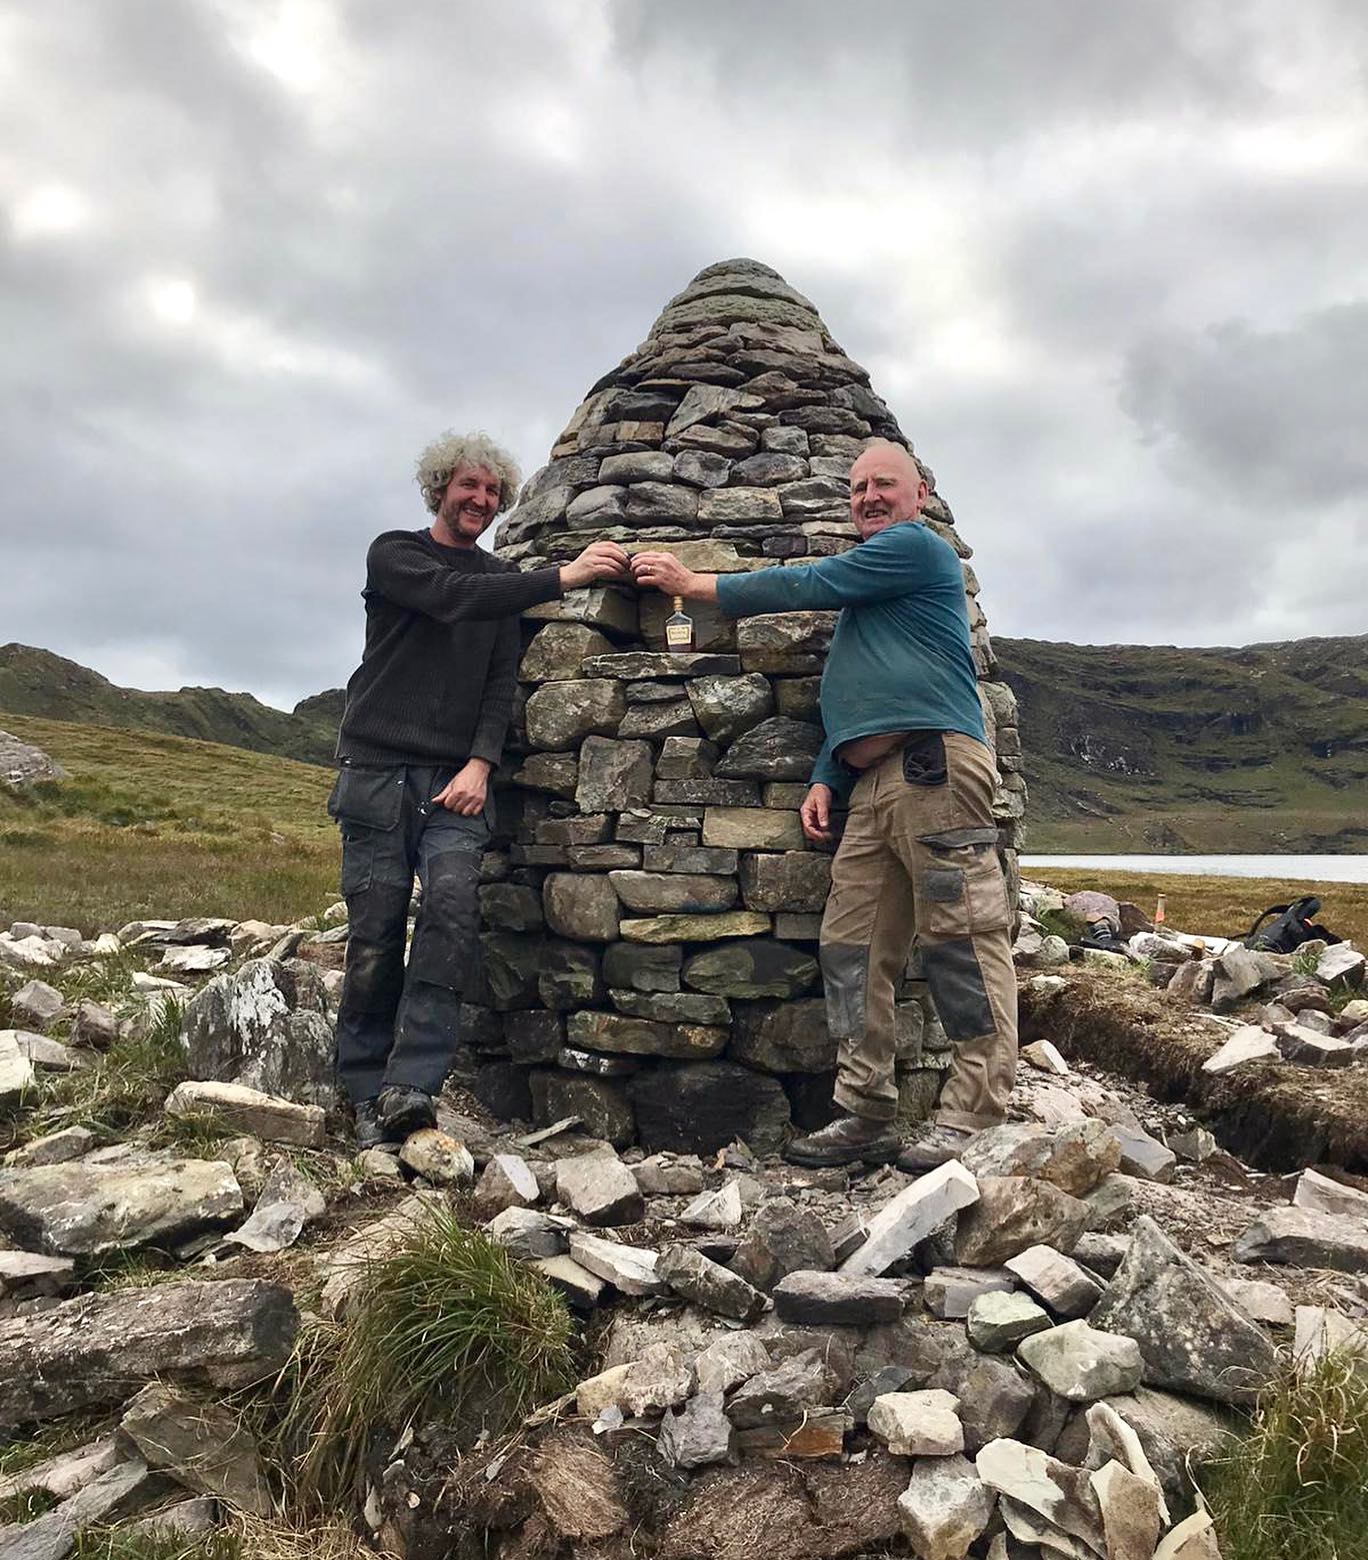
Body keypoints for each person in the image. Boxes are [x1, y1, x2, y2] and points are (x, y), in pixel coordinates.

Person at [632, 439, 1016, 1172]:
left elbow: (811, 579)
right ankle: (864, 1110)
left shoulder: (916, 549)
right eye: (858, 488)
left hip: (935, 768)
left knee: (961, 936)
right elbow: (856, 694)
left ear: (920, 496)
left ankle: (974, 1116)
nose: (869, 496)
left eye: (884, 484)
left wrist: (696, 584)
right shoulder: (875, 601)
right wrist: (826, 776)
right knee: (851, 946)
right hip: (873, 784)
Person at [332, 430, 628, 1146]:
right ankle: (362, 1086)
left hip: (455, 781)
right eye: (470, 486)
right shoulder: (395, 554)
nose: (481, 500)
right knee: (374, 932)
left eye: (493, 492)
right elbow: (451, 596)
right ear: (440, 488)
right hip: (376, 773)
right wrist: (563, 576)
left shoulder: (499, 582)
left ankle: (411, 1088)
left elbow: (500, 685)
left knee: (453, 913)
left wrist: (481, 763)